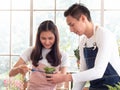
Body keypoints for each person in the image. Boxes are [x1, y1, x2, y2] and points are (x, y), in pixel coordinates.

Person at [46, 3, 120, 90]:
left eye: (72, 24)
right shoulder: (83, 42)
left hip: (113, 87)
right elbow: (83, 73)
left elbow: (98, 72)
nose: (70, 30)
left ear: (83, 18)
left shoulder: (104, 35)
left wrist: (64, 77)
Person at [9, 20, 69, 90]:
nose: (47, 42)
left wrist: (59, 77)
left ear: (56, 37)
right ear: (38, 38)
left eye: (50, 38)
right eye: (43, 38)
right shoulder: (30, 51)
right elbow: (11, 73)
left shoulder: (63, 55)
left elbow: (63, 80)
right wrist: (19, 69)